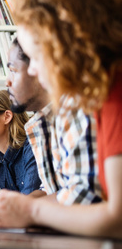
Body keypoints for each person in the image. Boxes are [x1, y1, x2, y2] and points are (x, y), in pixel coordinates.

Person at [0, 0, 122, 238]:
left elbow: (114, 218)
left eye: (37, 56)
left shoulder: (112, 96)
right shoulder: (100, 95)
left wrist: (30, 211)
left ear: (69, 43)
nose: (33, 70)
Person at [6, 37, 101, 205]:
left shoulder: (76, 110)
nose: (7, 82)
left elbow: (82, 199)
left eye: (13, 70)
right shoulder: (43, 122)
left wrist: (27, 210)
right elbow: (54, 189)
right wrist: (7, 204)